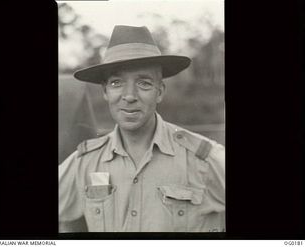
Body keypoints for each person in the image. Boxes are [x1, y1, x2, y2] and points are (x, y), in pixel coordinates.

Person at [59, 25, 225, 232]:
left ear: (160, 91)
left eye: (144, 83)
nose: (129, 96)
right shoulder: (85, 162)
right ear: (105, 92)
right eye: (116, 83)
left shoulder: (204, 160)